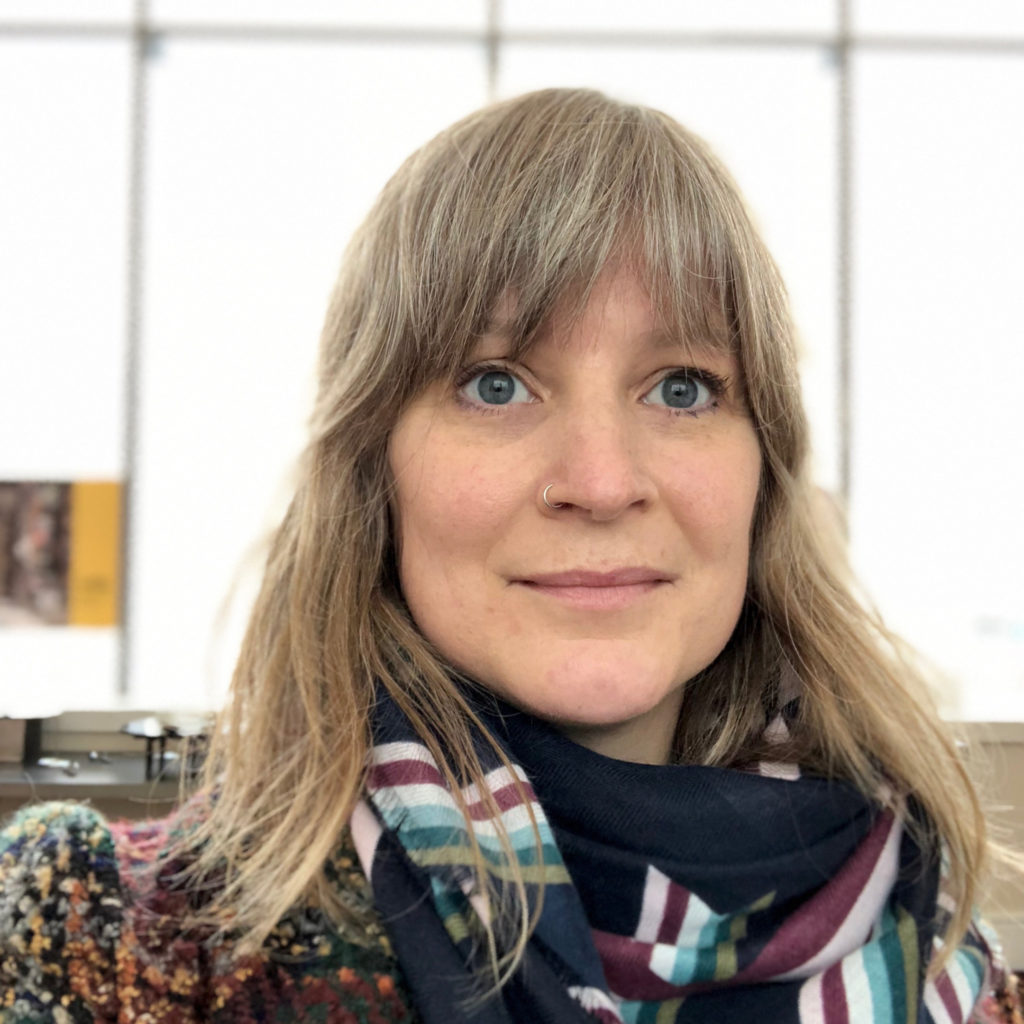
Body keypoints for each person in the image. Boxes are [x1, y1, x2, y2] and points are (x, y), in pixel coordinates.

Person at [1, 88, 1020, 1024]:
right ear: (375, 470)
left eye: (680, 387)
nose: (601, 479)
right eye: (495, 383)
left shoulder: (956, 980)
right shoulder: (102, 942)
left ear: (762, 476)